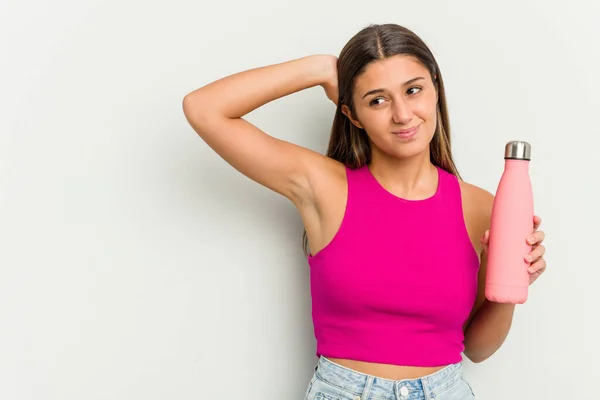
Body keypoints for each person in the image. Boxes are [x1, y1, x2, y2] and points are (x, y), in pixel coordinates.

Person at [182, 23, 547, 400]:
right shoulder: (323, 187)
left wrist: (511, 287)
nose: (403, 114)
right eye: (377, 100)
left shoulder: (481, 207)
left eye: (413, 90)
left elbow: (477, 348)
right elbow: (204, 109)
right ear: (352, 115)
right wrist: (322, 69)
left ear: (435, 89)